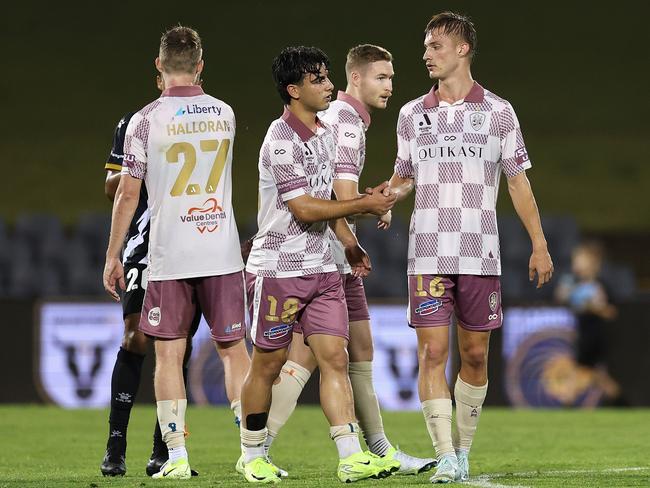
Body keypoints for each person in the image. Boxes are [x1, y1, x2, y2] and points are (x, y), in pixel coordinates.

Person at [385, 12, 554, 483]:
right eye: (426, 46)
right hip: (428, 252)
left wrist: (539, 244)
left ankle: (463, 450)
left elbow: (519, 184)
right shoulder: (411, 114)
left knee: (475, 356)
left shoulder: (499, 112)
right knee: (432, 353)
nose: (426, 54)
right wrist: (378, 201)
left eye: (435, 45)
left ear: (462, 49)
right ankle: (445, 456)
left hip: (480, 253)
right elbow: (402, 178)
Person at [259, 44, 435, 476]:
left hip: (329, 250)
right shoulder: (348, 124)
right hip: (322, 258)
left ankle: (375, 447)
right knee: (310, 358)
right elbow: (338, 194)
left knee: (355, 351)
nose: (390, 87)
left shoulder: (334, 119)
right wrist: (372, 210)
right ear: (354, 78)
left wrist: (375, 205)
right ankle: (256, 442)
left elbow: (335, 195)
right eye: (381, 77)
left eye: (392, 78)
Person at [238, 46, 398, 484]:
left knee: (334, 357)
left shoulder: (327, 133)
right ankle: (252, 454)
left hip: (323, 269)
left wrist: (349, 238)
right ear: (294, 90)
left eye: (328, 77)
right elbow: (305, 209)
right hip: (279, 270)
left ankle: (350, 455)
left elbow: (331, 202)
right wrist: (365, 204)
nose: (330, 86)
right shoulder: (279, 139)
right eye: (319, 80)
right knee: (267, 365)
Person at [103, 25, 249, 480]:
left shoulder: (144, 120)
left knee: (168, 354)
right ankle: (253, 452)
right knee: (233, 352)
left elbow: (127, 195)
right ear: (201, 65)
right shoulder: (225, 113)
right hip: (220, 248)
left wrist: (112, 256)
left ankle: (176, 458)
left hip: (170, 251)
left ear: (159, 65)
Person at [555, 241, 620, 402]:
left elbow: (610, 312)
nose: (576, 264)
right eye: (575, 260)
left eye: (580, 260)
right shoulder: (573, 284)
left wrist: (594, 308)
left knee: (580, 372)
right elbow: (561, 298)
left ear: (593, 263)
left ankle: (567, 400)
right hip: (583, 334)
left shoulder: (600, 286)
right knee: (599, 377)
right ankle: (620, 400)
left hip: (596, 336)